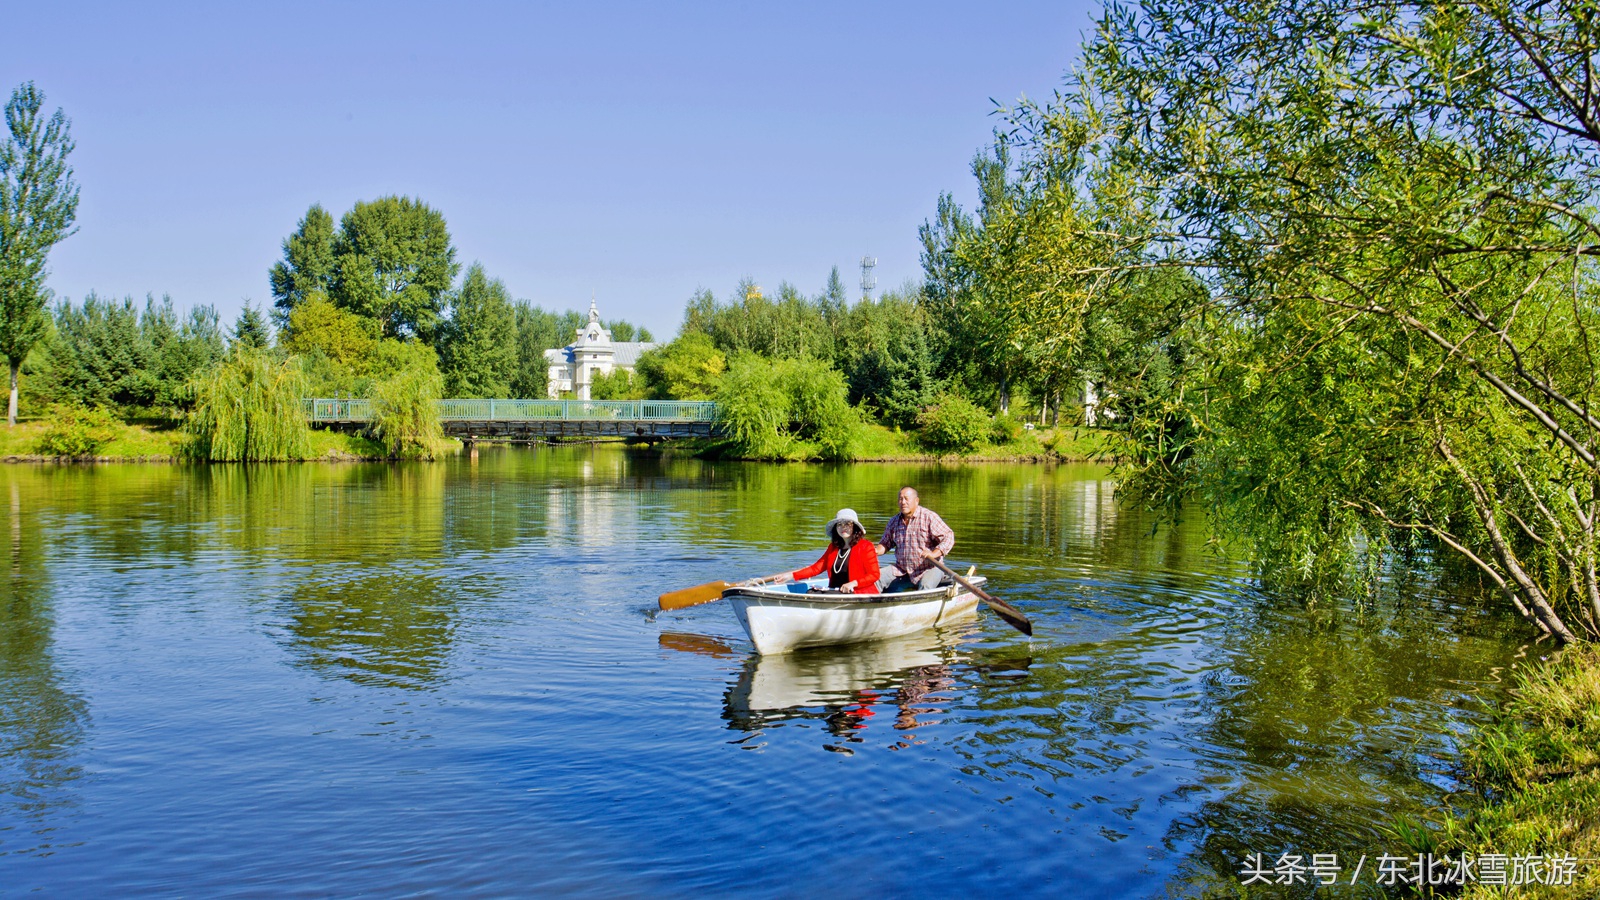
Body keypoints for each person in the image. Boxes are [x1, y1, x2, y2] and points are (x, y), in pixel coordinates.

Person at [749, 508, 881, 594]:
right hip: (834, 591)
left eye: (847, 524)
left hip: (857, 593)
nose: (843, 528)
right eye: (839, 524)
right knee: (811, 593)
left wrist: (853, 583)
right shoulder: (833, 548)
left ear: (855, 528)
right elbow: (816, 568)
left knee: (814, 595)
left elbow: (874, 575)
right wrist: (791, 576)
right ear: (836, 529)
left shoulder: (866, 547)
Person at [874, 487, 954, 591]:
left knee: (925, 586)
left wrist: (934, 554)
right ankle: (872, 605)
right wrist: (875, 550)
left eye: (906, 499)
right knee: (876, 578)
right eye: (900, 499)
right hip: (902, 569)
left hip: (930, 568)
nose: (903, 502)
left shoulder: (928, 517)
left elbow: (948, 536)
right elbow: (885, 543)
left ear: (916, 501)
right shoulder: (894, 521)